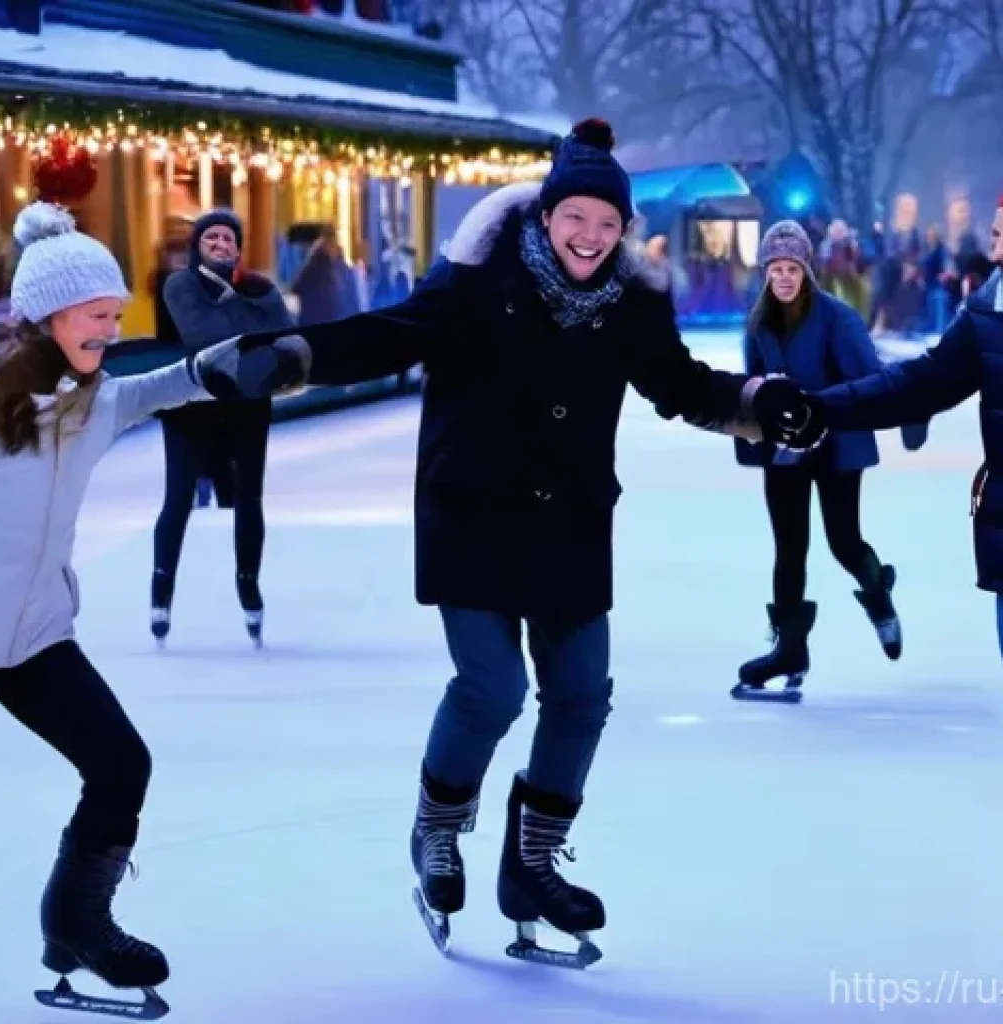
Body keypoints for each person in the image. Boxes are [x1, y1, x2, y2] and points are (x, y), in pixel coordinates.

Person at [220, 119, 816, 966]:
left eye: (609, 225)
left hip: (570, 521)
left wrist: (763, 400)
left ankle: (531, 865)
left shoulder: (634, 302)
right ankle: (436, 828)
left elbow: (680, 386)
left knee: (581, 694)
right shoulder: (477, 282)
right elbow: (391, 333)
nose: (592, 237)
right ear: (546, 214)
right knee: (492, 688)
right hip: (474, 515)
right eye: (578, 218)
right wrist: (293, 356)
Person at [0, 202, 271, 1017]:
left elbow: (153, 391)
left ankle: (76, 922)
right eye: (97, 316)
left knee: (119, 764)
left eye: (116, 315)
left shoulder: (89, 397)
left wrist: (218, 365)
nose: (111, 330)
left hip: (30, 631)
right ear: (44, 315)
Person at [798, 199, 1003, 657]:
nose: (993, 252)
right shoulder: (988, 313)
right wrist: (821, 407)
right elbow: (918, 384)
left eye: (998, 236)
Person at [731, 221, 902, 703]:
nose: (784, 278)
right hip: (786, 448)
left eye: (792, 268)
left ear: (807, 270)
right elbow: (753, 386)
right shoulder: (759, 322)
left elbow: (870, 378)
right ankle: (789, 647)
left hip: (837, 447)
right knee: (789, 546)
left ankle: (878, 594)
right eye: (775, 269)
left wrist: (818, 406)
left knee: (842, 539)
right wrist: (757, 433)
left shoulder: (837, 318)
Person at [151, 209, 295, 647]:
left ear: (238, 247)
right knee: (177, 498)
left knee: (250, 497)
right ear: (198, 246)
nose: (220, 244)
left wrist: (243, 322)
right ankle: (161, 589)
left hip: (246, 407)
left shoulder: (260, 289)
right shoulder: (181, 284)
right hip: (190, 407)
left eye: (228, 238)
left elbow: (284, 333)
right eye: (211, 237)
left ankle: (248, 583)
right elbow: (204, 335)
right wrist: (245, 323)